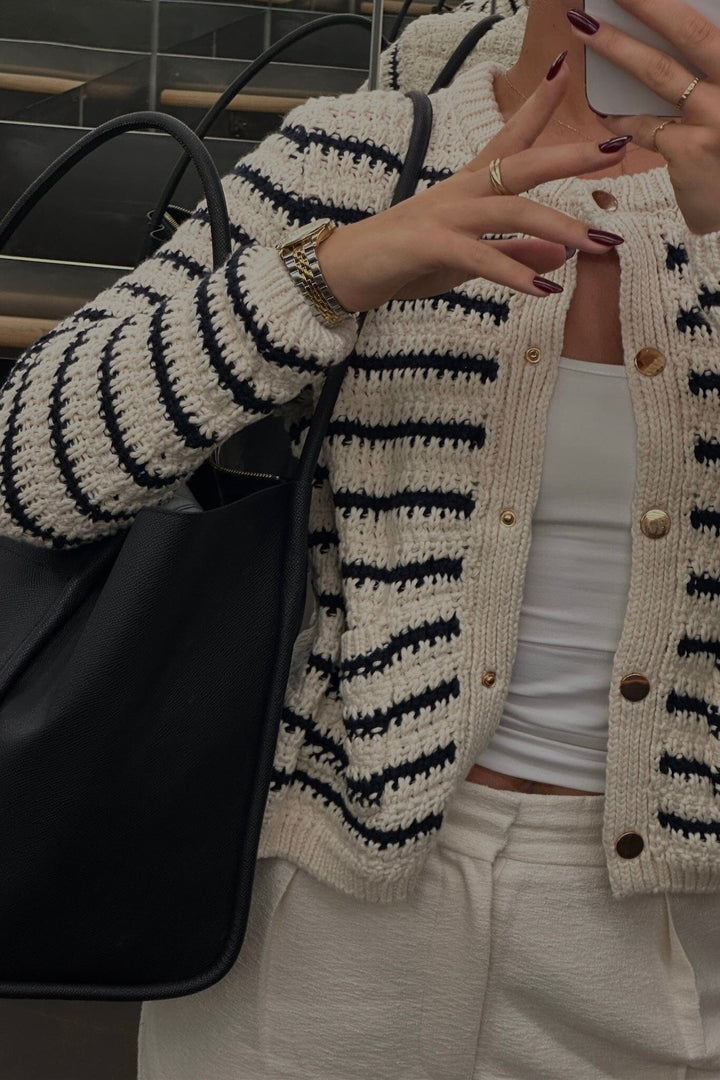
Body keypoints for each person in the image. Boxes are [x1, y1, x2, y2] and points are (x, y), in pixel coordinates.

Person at [2, 0, 720, 1074]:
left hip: (669, 936)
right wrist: (324, 274)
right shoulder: (365, 154)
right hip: (322, 906)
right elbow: (27, 473)